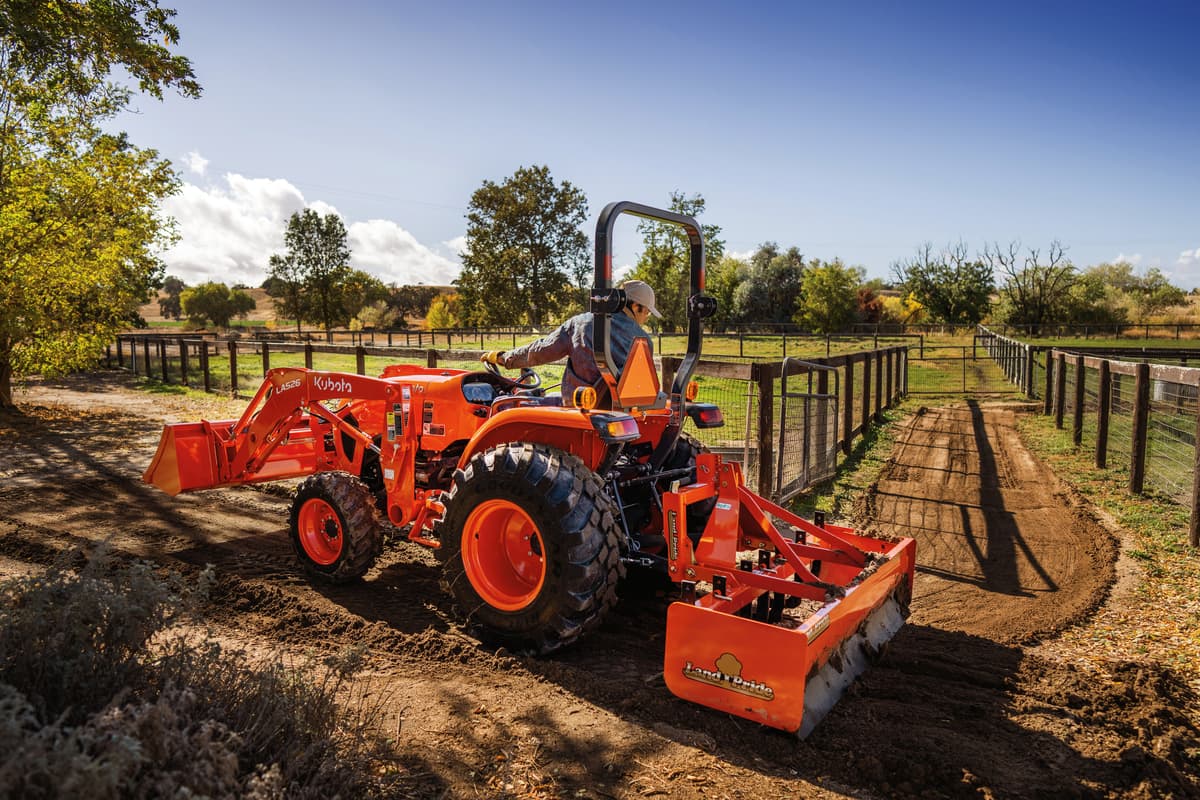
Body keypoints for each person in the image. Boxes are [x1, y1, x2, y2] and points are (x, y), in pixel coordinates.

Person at [481, 279, 661, 404]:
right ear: (635, 306)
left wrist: (505, 358)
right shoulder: (644, 342)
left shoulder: (582, 324)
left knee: (507, 404)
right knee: (547, 395)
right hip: (620, 412)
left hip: (579, 407)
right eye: (647, 312)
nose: (646, 317)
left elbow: (541, 351)